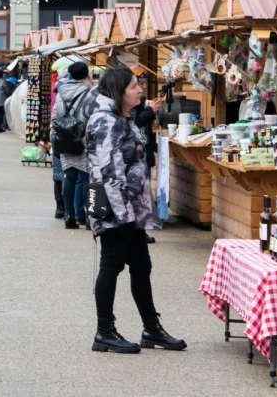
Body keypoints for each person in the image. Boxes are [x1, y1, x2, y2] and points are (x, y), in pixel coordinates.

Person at [87, 67, 186, 354]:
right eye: (134, 86)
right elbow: (108, 171)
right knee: (111, 267)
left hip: (131, 208)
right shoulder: (107, 122)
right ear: (119, 91)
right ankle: (104, 332)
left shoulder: (122, 118)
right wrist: (123, 215)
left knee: (142, 268)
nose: (140, 90)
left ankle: (151, 329)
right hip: (118, 210)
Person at [54, 61, 92, 230]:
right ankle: (89, 217)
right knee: (86, 178)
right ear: (86, 75)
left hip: (65, 139)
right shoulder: (89, 93)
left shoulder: (60, 92)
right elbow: (91, 116)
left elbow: (55, 116)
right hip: (83, 139)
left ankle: (69, 216)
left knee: (69, 176)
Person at [130, 73, 164, 242]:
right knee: (139, 193)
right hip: (137, 153)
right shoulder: (128, 105)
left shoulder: (136, 103)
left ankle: (141, 231)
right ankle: (139, 231)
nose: (141, 88)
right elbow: (135, 124)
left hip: (142, 151)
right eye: (138, 84)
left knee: (141, 192)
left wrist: (150, 110)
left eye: (142, 84)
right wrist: (150, 110)